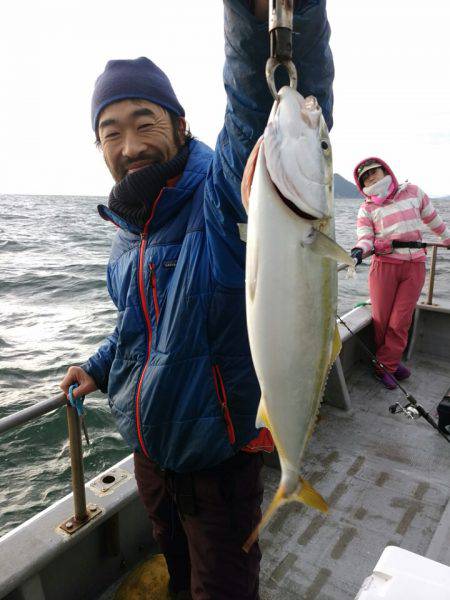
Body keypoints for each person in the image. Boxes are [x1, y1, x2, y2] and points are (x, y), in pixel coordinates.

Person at [60, 1, 334, 598]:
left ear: (180, 126)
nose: (130, 145)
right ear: (99, 146)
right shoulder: (126, 235)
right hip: (152, 460)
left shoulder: (220, 196)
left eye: (145, 122)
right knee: (178, 576)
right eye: (112, 132)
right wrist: (98, 368)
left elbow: (260, 109)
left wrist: (257, 16)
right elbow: (139, 326)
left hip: (218, 465)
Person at [351, 157, 450, 390]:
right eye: (365, 176)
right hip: (383, 266)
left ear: (386, 170)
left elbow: (434, 221)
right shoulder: (366, 208)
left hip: (414, 265)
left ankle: (384, 366)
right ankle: (391, 362)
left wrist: (447, 240)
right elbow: (365, 239)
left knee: (400, 321)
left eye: (373, 171)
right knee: (382, 321)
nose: (370, 177)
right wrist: (357, 251)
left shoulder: (413, 192)